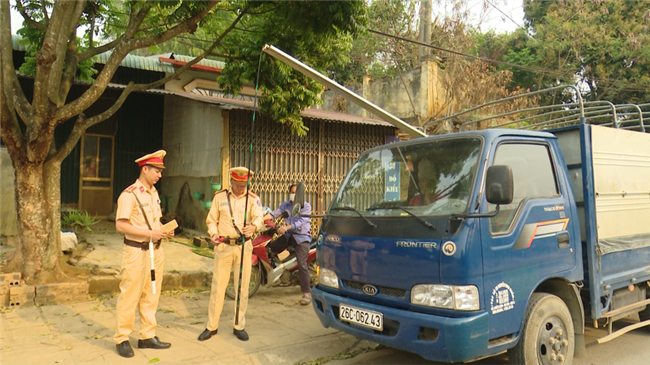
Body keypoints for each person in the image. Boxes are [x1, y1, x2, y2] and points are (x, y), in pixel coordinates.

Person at [113, 150, 174, 358]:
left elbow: (153, 221)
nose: (160, 175)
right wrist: (150, 233)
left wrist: (163, 230)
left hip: (155, 251)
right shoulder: (129, 195)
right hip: (136, 252)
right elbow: (121, 225)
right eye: (156, 171)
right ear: (145, 169)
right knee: (130, 295)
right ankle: (122, 338)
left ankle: (147, 336)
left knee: (151, 294)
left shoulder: (154, 193)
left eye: (160, 171)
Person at [198, 166, 263, 342]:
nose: (241, 188)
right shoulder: (220, 197)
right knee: (218, 287)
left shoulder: (253, 198)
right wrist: (212, 233)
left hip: (243, 247)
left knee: (242, 288)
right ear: (232, 181)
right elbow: (212, 220)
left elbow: (259, 217)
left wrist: (254, 226)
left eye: (244, 184)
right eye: (238, 184)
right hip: (224, 247)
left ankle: (238, 325)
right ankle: (211, 326)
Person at [263, 183, 312, 305]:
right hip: (288, 236)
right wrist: (260, 219)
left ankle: (306, 293)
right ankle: (279, 273)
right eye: (292, 192)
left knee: (302, 264)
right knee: (268, 249)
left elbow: (300, 222)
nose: (294, 194)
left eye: (296, 192)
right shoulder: (285, 205)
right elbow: (274, 213)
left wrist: (287, 227)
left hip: (301, 238)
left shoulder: (305, 206)